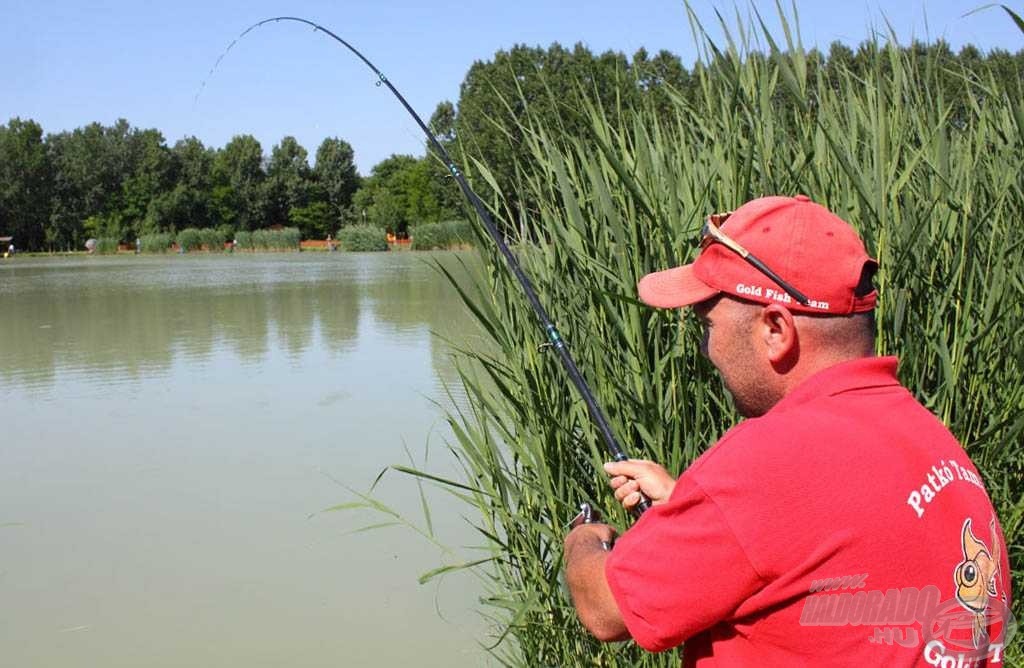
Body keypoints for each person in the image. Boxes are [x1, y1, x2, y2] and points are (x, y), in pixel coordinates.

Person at [564, 195, 1013, 667]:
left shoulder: (767, 461)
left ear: (776, 328)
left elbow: (604, 609)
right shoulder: (927, 437)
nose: (705, 348)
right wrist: (693, 508)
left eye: (708, 325)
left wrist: (585, 538)